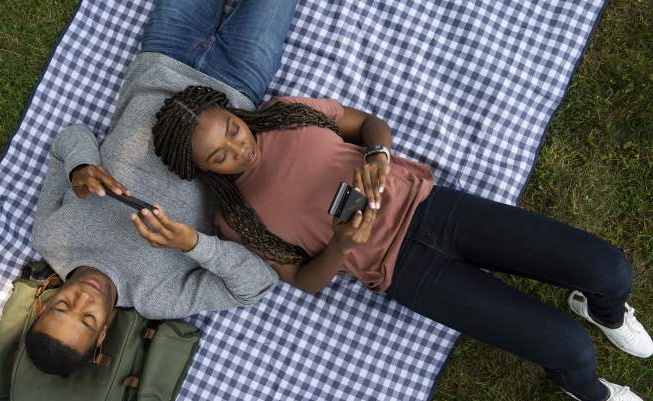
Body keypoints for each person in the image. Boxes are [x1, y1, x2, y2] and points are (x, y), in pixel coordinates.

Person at [149, 88, 653, 400]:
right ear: (203, 170)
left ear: (236, 114)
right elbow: (305, 280)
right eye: (219, 156)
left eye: (233, 131)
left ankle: (602, 310)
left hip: (439, 210)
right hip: (407, 274)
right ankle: (588, 391)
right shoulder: (235, 218)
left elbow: (367, 123)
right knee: (566, 348)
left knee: (609, 268)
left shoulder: (284, 113)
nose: (239, 149)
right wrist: (341, 245)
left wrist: (377, 154)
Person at [25, 0, 298, 376]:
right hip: (235, 90)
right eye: (87, 319)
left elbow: (68, 140)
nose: (83, 298)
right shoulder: (156, 298)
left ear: (46, 302)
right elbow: (256, 285)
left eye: (63, 306)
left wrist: (80, 167)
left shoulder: (51, 238)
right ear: (103, 333)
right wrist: (193, 244)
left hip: (163, 57)